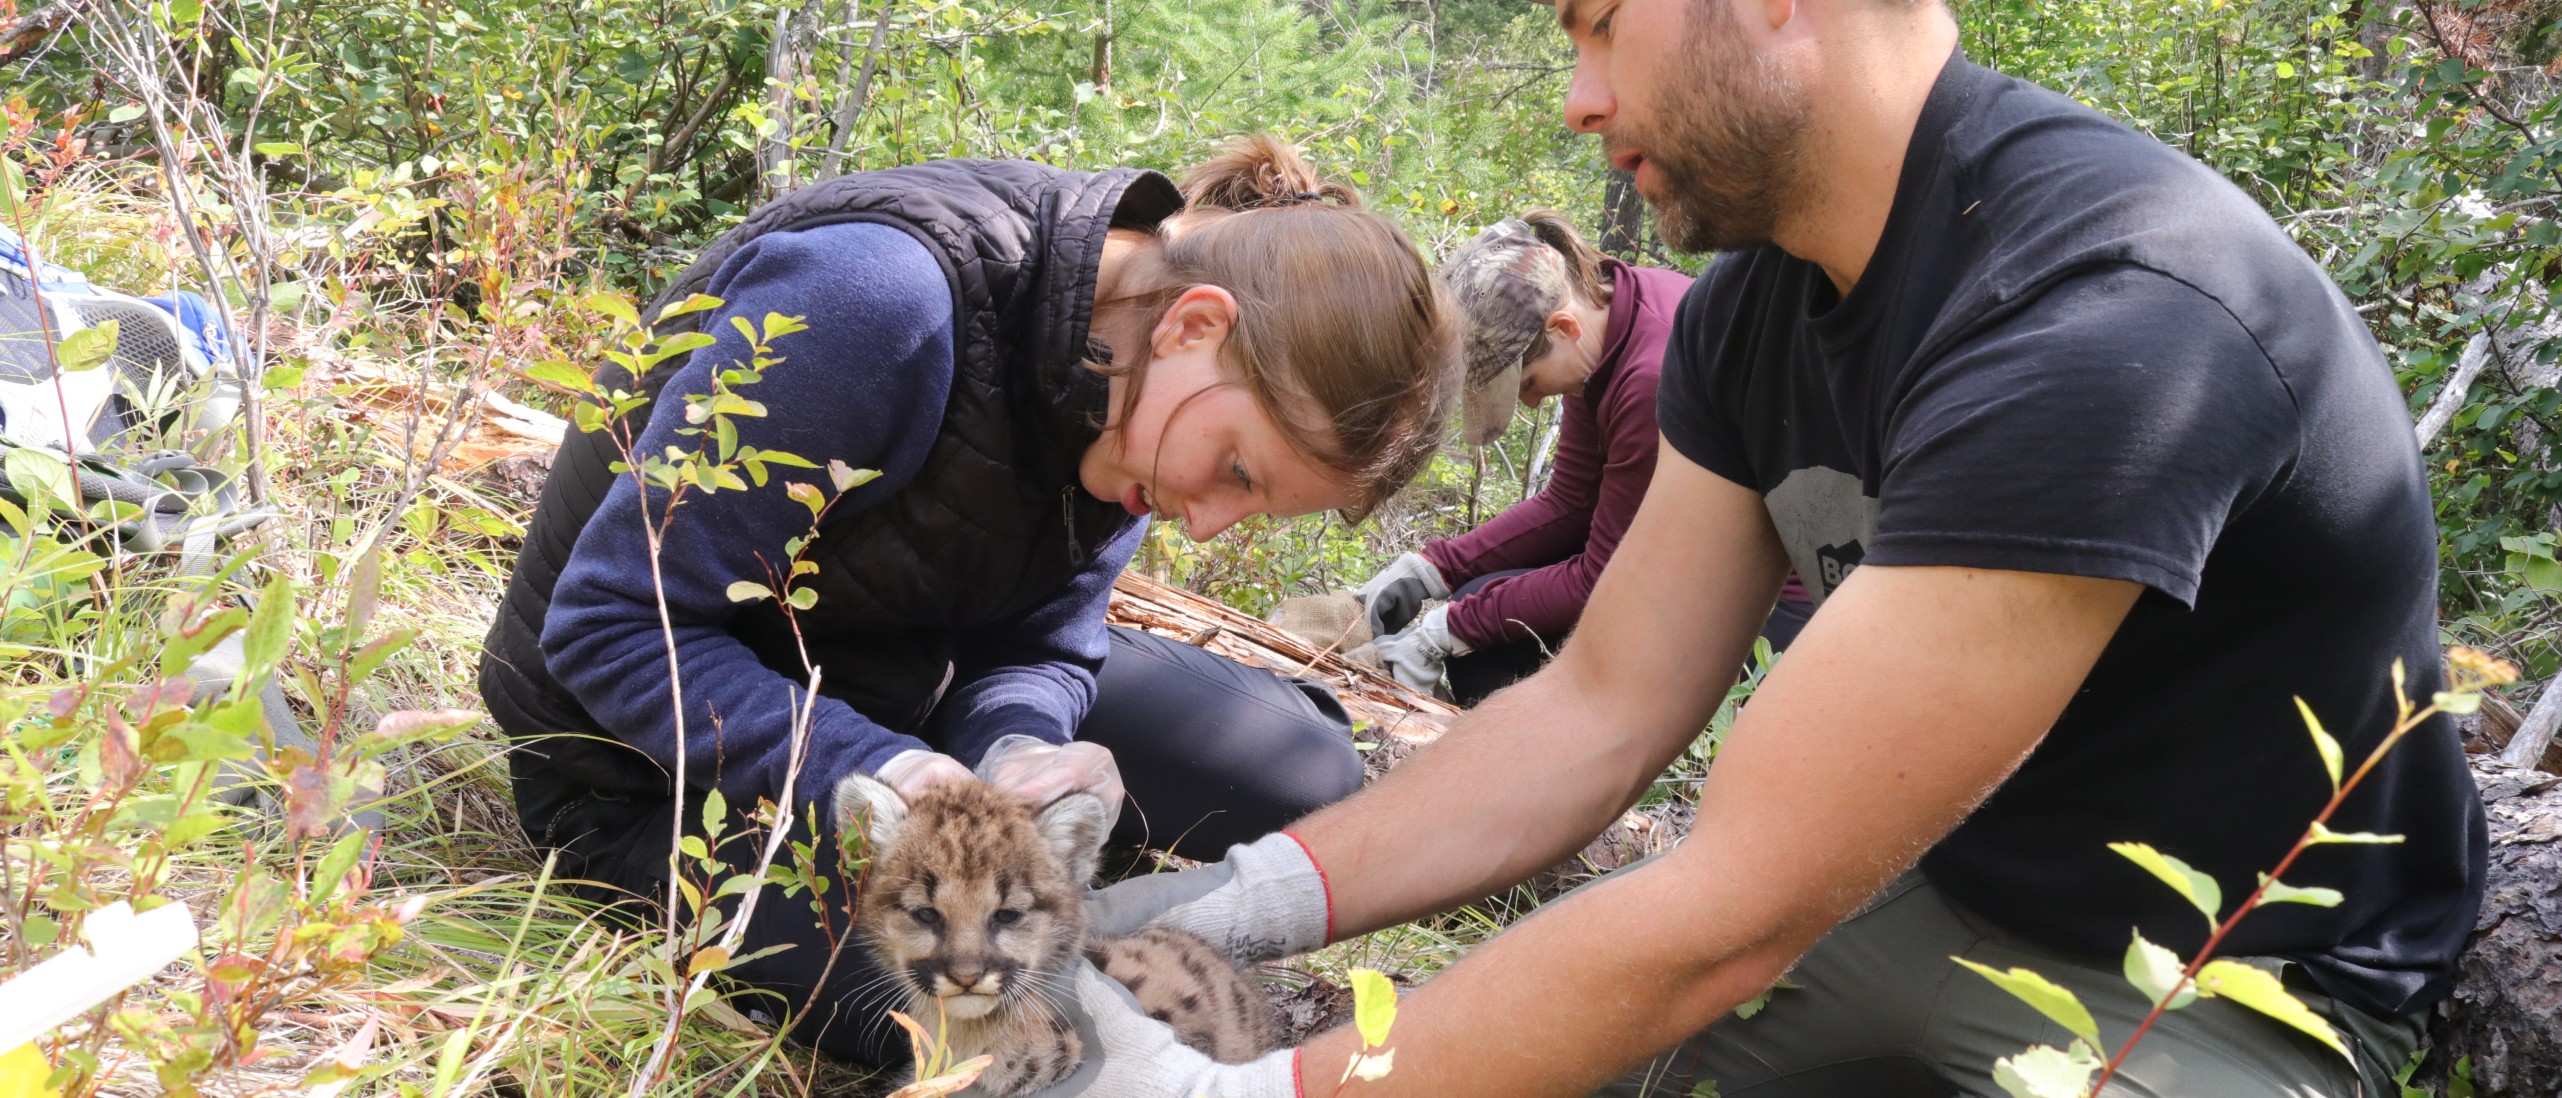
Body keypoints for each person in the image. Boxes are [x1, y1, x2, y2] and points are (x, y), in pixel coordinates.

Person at [1036, 2, 2489, 1096]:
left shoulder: (2109, 318)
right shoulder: (1751, 318)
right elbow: (1595, 707)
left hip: (2226, 978)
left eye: (1603, 24)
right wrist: (1223, 905)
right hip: (1934, 889)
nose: (1576, 99)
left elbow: (1732, 903)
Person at [477, 136, 1457, 1064]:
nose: (1202, 524)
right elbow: (609, 626)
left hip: (897, 690)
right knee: (1028, 1020)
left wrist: (1019, 750)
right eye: (1235, 470)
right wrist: (896, 773)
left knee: (1305, 771)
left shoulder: (1132, 369)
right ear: (1195, 323)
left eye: (1252, 507)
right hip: (652, 771)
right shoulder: (878, 304)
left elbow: (1041, 644)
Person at [1356, 213, 1811, 703]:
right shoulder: (1610, 323)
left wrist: (1444, 631)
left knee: (1491, 654)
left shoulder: (1650, 379)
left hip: (1772, 611)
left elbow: (1605, 577)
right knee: (1483, 612)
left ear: (1563, 326)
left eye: (1527, 383)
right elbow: (1571, 504)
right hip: (1699, 567)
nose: (1530, 401)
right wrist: (1432, 569)